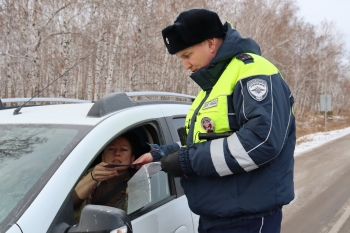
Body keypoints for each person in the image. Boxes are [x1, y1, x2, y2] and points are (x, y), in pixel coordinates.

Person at [133, 9, 296, 233]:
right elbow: (201, 144)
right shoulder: (212, 87)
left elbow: (262, 141)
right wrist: (162, 154)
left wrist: (187, 161)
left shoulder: (254, 72)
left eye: (187, 55)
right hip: (217, 216)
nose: (186, 66)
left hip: (247, 219)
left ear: (210, 43)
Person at [72, 132, 139, 214]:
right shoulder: (89, 174)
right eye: (111, 149)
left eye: (124, 150)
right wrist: (92, 177)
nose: (117, 153)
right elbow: (70, 204)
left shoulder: (138, 182)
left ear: (132, 159)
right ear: (103, 156)